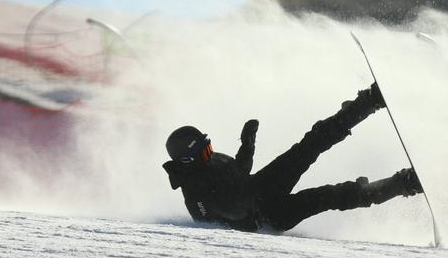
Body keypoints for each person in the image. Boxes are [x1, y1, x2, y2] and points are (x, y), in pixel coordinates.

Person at [162, 83, 423, 232]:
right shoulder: (196, 195)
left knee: (310, 144)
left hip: (260, 187)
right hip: (268, 215)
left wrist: (247, 145)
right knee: (331, 196)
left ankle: (368, 102)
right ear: (188, 160)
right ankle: (403, 184)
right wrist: (248, 214)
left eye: (209, 147)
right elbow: (228, 215)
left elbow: (240, 171)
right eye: (204, 151)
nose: (210, 153)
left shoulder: (210, 161)